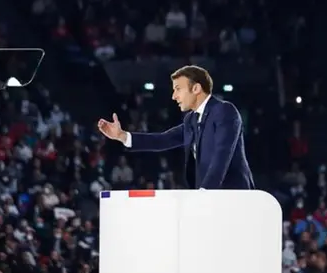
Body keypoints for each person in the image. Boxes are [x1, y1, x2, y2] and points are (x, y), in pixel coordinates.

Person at [97, 65, 254, 190]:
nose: (174, 96)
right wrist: (122, 136)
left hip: (234, 196)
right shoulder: (191, 120)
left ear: (196, 88)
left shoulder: (224, 110)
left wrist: (205, 192)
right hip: (210, 199)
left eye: (178, 89)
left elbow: (222, 154)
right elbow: (163, 140)